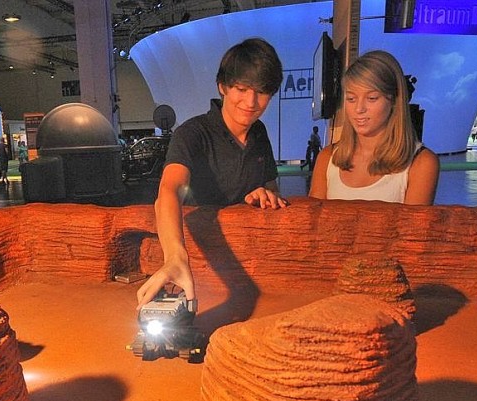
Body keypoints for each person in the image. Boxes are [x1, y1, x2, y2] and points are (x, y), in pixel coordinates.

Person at [136, 38, 287, 308]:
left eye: (262, 92)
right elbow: (169, 191)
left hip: (250, 263)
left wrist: (267, 193)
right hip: (197, 266)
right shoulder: (192, 134)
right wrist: (174, 257)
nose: (251, 102)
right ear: (223, 87)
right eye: (241, 89)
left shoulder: (259, 133)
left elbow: (271, 185)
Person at [308, 50, 439, 205]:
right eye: (351, 98)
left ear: (394, 100)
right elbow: (313, 224)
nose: (359, 108)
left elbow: (412, 228)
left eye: (371, 98)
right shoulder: (327, 158)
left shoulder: (422, 163)